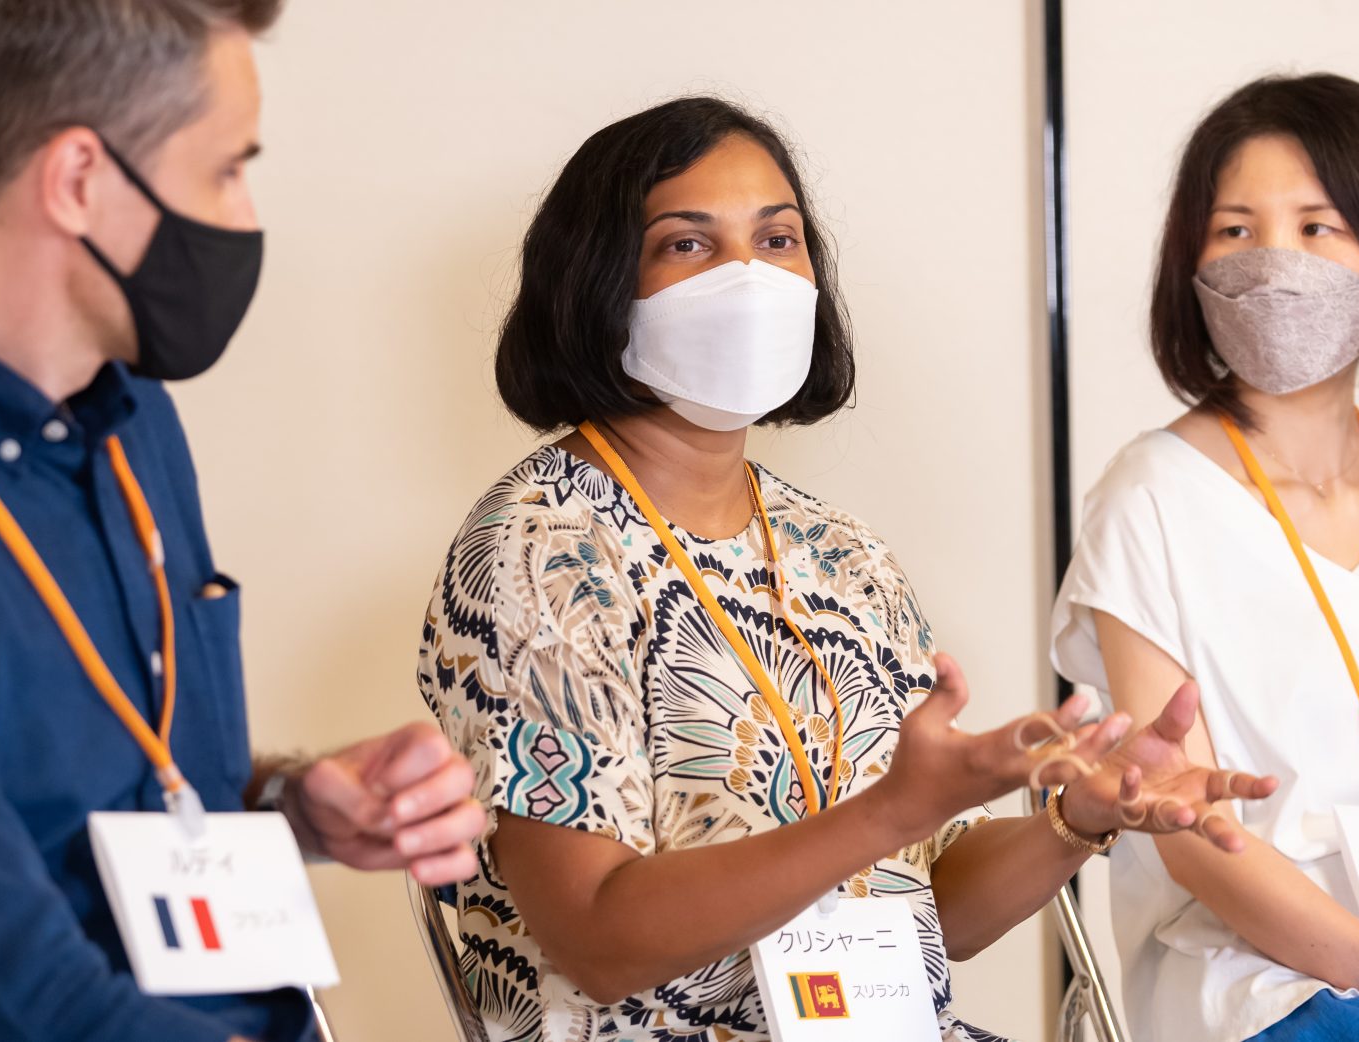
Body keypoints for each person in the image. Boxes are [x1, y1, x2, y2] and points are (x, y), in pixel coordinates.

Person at [418, 95, 1276, 1042]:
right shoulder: (541, 548)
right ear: (596, 284)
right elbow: (595, 942)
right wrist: (886, 815)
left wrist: (1078, 816)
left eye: (777, 240)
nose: (749, 277)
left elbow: (930, 915)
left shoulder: (841, 553)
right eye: (688, 244)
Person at [0, 3, 485, 1041]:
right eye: (227, 169)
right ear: (78, 180)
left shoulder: (132, 420)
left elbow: (126, 788)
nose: (243, 216)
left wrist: (291, 803)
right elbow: (9, 996)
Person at [1052, 74, 1359, 1041]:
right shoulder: (1150, 499)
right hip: (1261, 984)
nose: (1272, 261)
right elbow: (1193, 837)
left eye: (1317, 226)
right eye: (1235, 229)